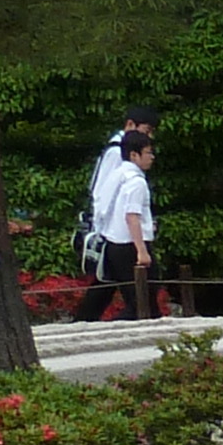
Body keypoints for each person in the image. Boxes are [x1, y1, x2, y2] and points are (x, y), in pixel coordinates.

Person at [73, 124, 156, 321]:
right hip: (130, 245)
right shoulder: (136, 181)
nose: (151, 157)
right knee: (143, 300)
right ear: (134, 155)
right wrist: (142, 250)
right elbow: (131, 216)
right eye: (148, 153)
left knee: (112, 291)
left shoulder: (116, 175)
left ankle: (83, 323)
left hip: (113, 242)